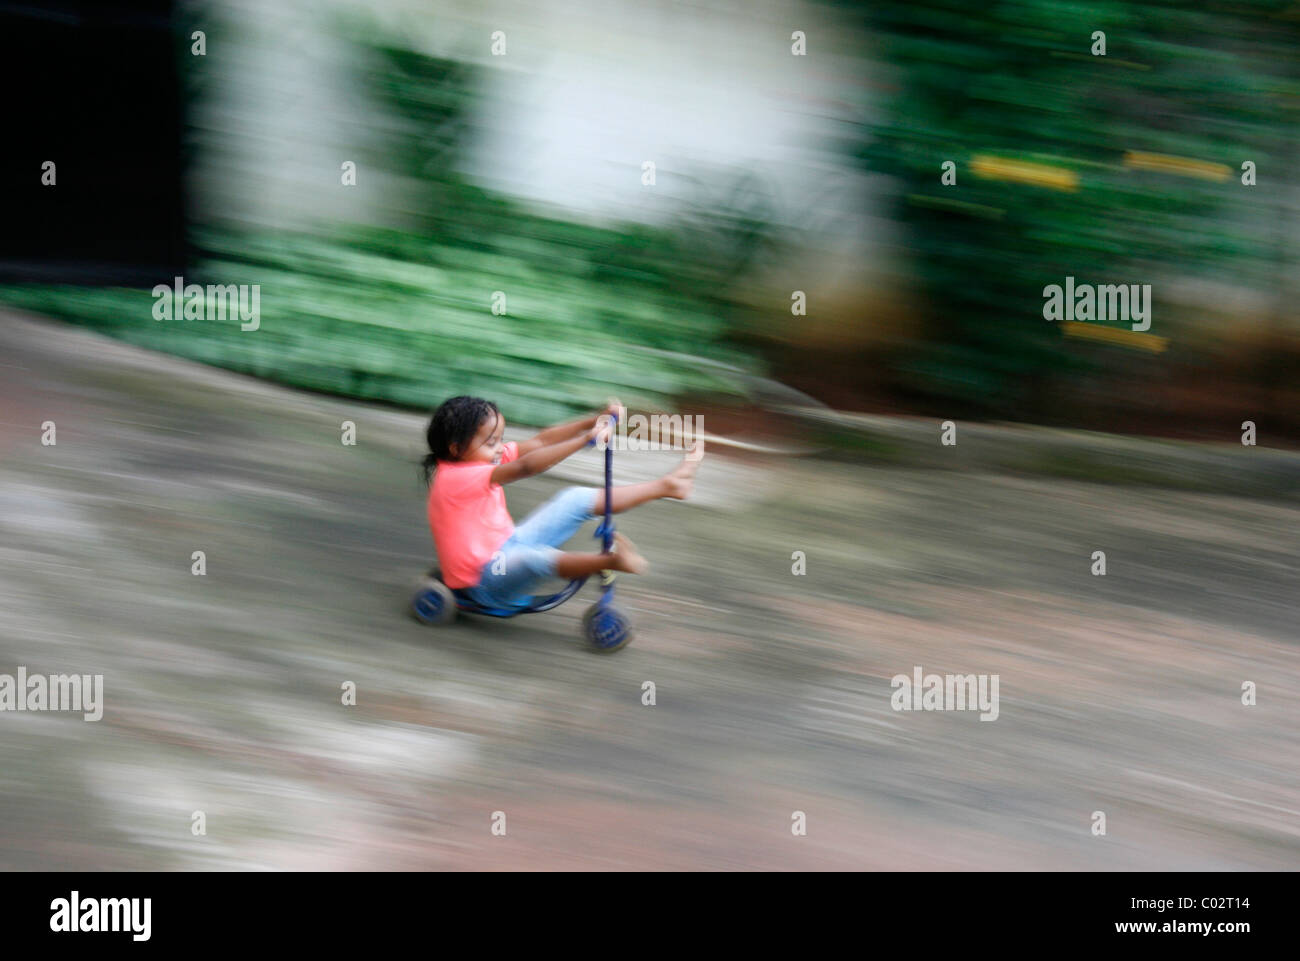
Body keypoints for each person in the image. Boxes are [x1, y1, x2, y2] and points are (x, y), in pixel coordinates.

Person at [423, 395, 703, 610]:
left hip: (508, 546)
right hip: (485, 582)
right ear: (456, 449)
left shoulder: (480, 459)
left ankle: (667, 485)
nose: (499, 449)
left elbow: (541, 441)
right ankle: (612, 561)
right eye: (490, 443)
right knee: (534, 559)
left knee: (574, 498)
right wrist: (585, 440)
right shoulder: (455, 479)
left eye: (500, 440)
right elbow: (526, 467)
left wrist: (593, 421)